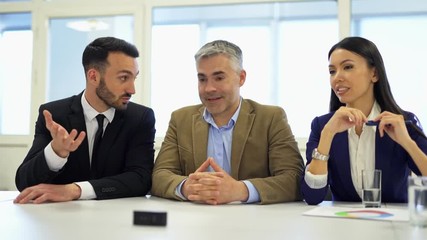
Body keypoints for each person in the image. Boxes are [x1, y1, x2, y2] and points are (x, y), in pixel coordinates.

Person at [151, 40, 304, 205]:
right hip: (195, 221)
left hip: (254, 223)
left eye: (219, 78)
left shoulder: (270, 118)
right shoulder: (181, 119)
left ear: (241, 78)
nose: (209, 88)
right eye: (202, 79)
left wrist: (241, 190)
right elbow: (159, 176)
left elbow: (293, 179)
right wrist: (187, 187)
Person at [14, 37, 156, 204]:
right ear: (94, 77)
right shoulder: (54, 115)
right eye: (124, 78)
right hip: (59, 221)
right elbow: (24, 183)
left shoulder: (140, 118)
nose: (132, 89)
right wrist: (55, 152)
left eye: (134, 78)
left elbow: (141, 179)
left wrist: (76, 190)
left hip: (117, 219)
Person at [301, 36, 427, 205]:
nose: (337, 77)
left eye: (348, 67)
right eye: (332, 71)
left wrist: (407, 142)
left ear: (374, 73)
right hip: (342, 225)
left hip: (392, 226)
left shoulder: (402, 122)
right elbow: (312, 197)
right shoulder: (323, 126)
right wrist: (327, 135)